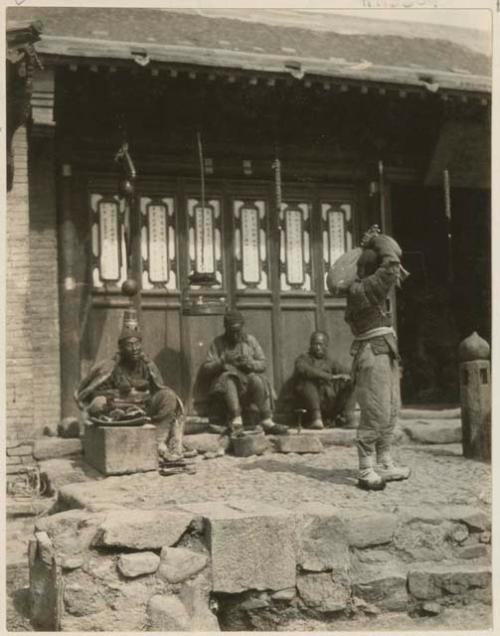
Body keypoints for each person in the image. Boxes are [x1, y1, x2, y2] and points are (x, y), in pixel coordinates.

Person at [345, 233, 411, 491]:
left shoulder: (368, 286)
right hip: (373, 353)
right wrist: (379, 239)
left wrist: (373, 242)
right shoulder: (362, 289)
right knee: (375, 411)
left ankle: (384, 461)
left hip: (385, 350)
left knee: (391, 408)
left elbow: (392, 259)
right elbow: (393, 260)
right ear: (371, 270)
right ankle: (365, 468)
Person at [75, 316, 185, 461]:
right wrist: (117, 392)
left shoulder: (147, 365)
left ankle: (159, 442)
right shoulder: (110, 367)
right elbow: (94, 394)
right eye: (129, 345)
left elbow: (158, 389)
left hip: (143, 408)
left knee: (169, 396)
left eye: (137, 344)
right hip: (116, 410)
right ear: (121, 347)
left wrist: (140, 388)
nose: (134, 349)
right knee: (98, 404)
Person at [202, 309, 283, 435]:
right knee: (228, 377)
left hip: (248, 387)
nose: (235, 335)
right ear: (226, 328)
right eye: (232, 331)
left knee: (256, 379)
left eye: (238, 331)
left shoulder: (250, 341)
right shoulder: (218, 343)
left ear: (242, 327)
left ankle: (266, 419)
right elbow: (206, 368)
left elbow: (263, 363)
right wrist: (223, 361)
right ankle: (236, 419)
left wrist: (249, 363)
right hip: (227, 389)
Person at [293, 331, 352, 429]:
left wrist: (356, 374)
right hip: (307, 407)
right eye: (315, 344)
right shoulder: (303, 358)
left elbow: (345, 371)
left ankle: (347, 416)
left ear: (326, 346)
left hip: (327, 403)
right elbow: (305, 370)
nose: (317, 347)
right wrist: (331, 377)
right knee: (307, 382)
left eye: (320, 344)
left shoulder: (330, 362)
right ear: (311, 345)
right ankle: (316, 419)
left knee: (349, 382)